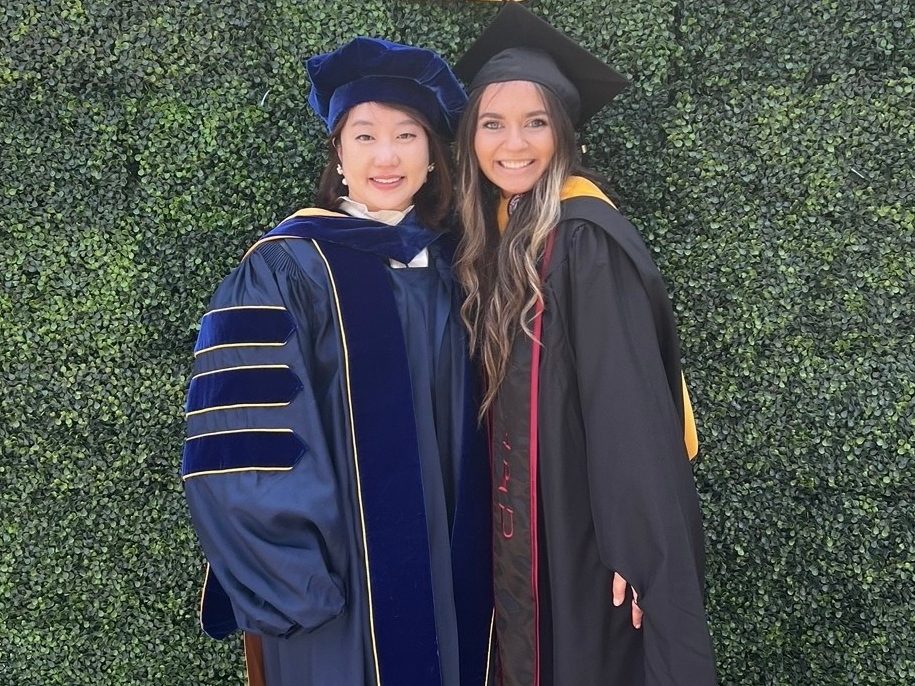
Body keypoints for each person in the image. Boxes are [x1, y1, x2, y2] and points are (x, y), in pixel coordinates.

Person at [180, 37, 493, 686]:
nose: (386, 155)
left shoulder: (457, 271)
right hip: (341, 601)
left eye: (407, 135)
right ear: (339, 157)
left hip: (459, 584)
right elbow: (239, 447)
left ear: (433, 158)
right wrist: (295, 579)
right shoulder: (286, 267)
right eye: (364, 136)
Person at [451, 4, 717, 686]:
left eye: (535, 122)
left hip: (585, 542)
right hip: (529, 530)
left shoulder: (583, 238)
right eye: (492, 123)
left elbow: (624, 403)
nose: (513, 143)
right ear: (469, 139)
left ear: (565, 134)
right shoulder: (502, 236)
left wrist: (638, 548)